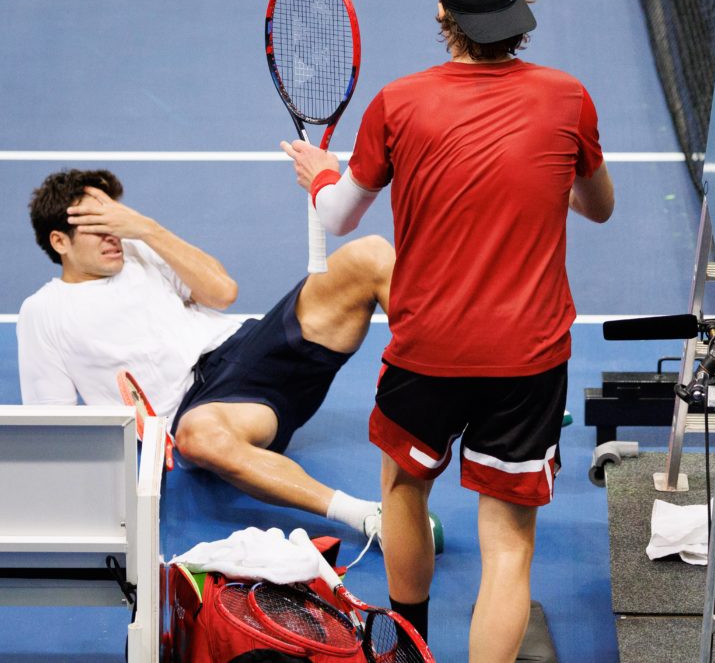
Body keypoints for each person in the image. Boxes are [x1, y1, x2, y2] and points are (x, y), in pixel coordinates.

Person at [282, 0, 615, 662]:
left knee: (403, 487)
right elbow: (600, 206)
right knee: (508, 542)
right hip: (528, 359)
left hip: (427, 352)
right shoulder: (569, 97)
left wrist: (320, 175)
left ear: (443, 13)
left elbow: (340, 217)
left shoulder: (398, 103)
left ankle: (407, 646)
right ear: (518, 15)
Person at [17, 167, 436, 550]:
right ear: (60, 241)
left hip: (250, 348)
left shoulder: (141, 251)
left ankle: (449, 366)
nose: (114, 234)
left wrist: (147, 229)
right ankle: (368, 515)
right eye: (98, 225)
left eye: (116, 218)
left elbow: (222, 292)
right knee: (198, 438)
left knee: (369, 255)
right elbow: (53, 421)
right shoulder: (44, 311)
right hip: (211, 409)